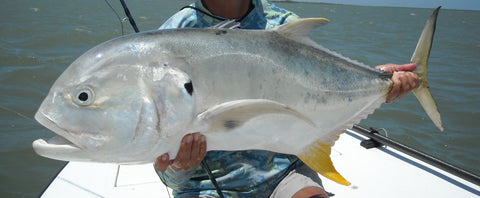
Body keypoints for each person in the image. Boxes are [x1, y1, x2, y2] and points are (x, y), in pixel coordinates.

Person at [154, 0, 419, 197]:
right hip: (205, 186)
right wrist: (179, 167)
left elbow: (327, 86)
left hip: (284, 175)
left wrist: (379, 81)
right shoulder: (172, 35)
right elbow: (169, 179)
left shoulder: (282, 24)